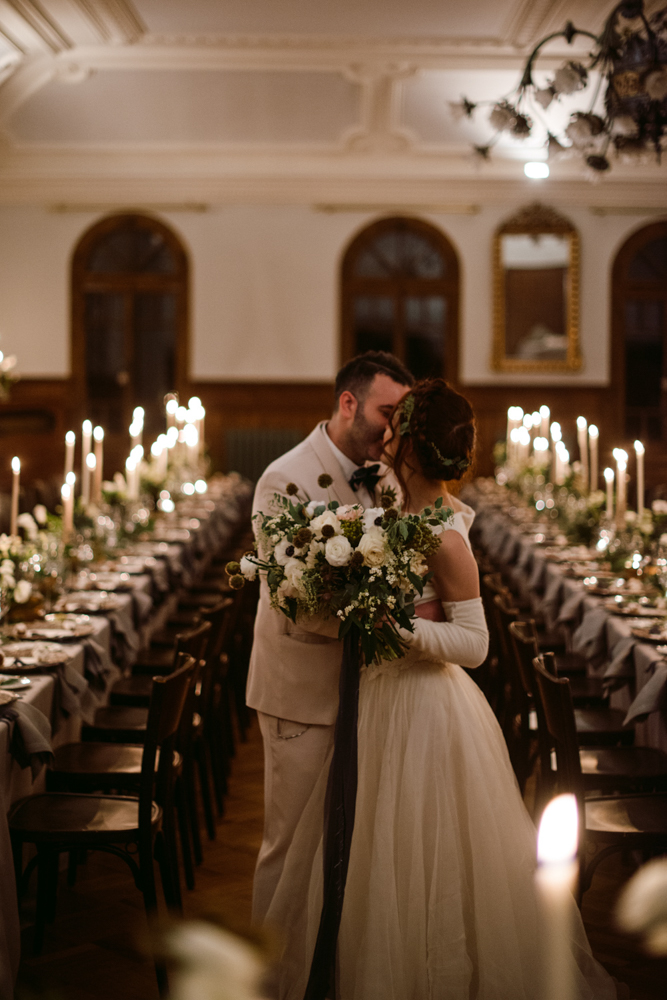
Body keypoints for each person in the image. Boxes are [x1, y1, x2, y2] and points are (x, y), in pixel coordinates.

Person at [266, 379, 617, 1000]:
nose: (385, 434)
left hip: (426, 711)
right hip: (376, 704)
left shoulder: (446, 534)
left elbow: (475, 644)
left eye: (395, 427)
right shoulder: (392, 515)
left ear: (409, 446)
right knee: (378, 863)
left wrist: (399, 631)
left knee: (426, 861)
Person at [248, 351, 413, 924]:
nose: (392, 430)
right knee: (290, 845)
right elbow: (286, 598)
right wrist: (381, 616)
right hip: (302, 692)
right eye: (385, 412)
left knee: (351, 848)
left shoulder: (387, 477)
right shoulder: (283, 478)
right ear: (348, 403)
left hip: (372, 693)